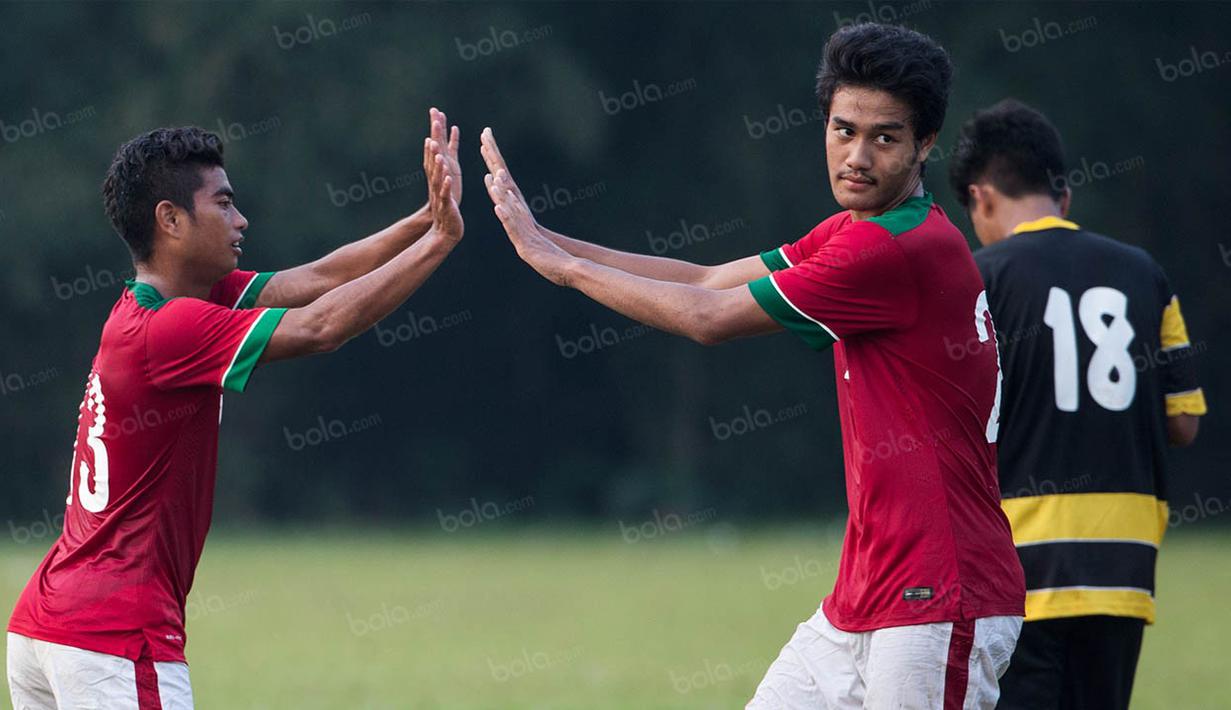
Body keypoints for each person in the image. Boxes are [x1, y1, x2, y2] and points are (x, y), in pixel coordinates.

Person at [480, 23, 1025, 709]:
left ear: (924, 146)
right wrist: (540, 235)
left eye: (883, 137)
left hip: (938, 595)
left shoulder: (892, 250)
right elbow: (707, 280)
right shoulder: (859, 230)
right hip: (864, 594)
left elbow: (709, 320)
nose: (856, 155)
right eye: (842, 129)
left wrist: (560, 269)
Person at [6, 109, 465, 709]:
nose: (240, 219)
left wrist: (429, 214)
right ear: (169, 220)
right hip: (115, 639)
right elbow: (323, 326)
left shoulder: (165, 302)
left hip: (48, 623)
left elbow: (321, 278)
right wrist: (441, 243)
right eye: (222, 204)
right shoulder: (172, 328)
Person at [948, 98, 1206, 710]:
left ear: (981, 197)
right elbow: (1184, 421)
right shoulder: (1145, 274)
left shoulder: (979, 278)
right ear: (1061, 196)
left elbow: (954, 420)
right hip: (1125, 561)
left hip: (1018, 566)